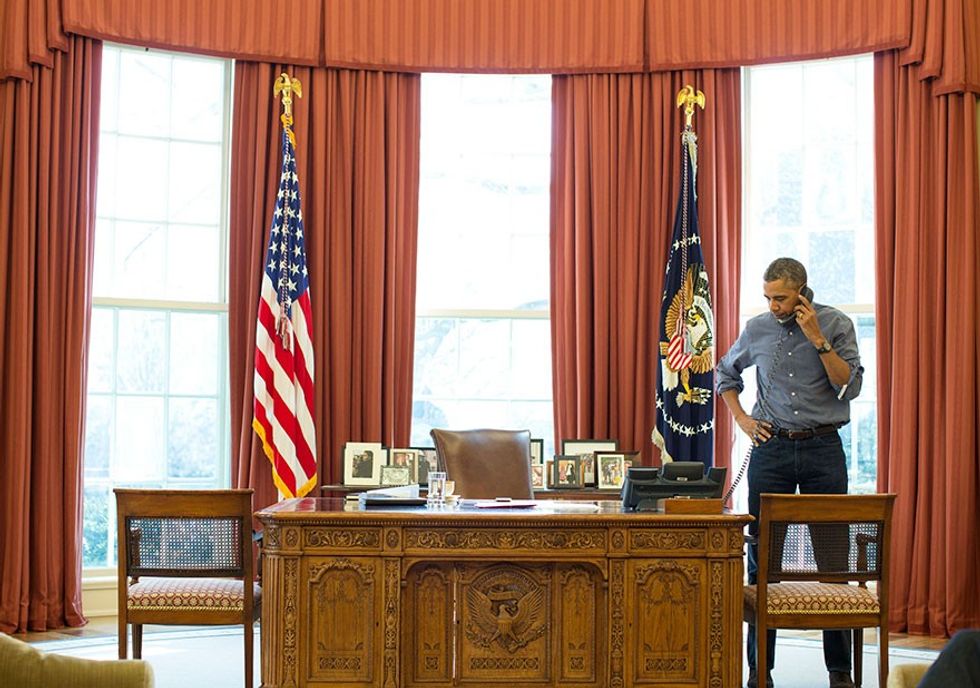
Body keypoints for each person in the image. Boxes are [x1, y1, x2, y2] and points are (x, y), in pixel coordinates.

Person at [716, 257, 864, 688]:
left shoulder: (836, 324)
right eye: (768, 297)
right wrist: (743, 420)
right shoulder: (758, 329)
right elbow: (725, 373)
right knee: (763, 562)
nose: (773, 306)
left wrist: (817, 338)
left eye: (780, 298)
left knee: (833, 561)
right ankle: (759, 671)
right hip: (772, 448)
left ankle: (839, 672)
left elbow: (849, 386)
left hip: (823, 448)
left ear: (802, 292)